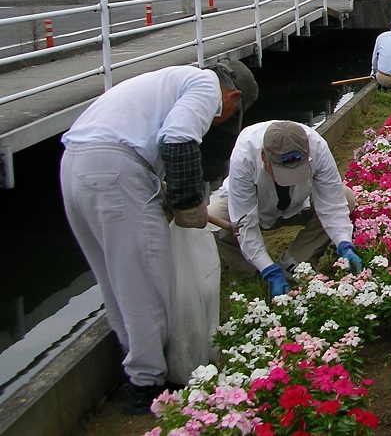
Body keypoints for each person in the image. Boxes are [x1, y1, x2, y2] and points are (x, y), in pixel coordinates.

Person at [59, 60, 259, 414]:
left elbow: (147, 142)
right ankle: (146, 382)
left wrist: (162, 189)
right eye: (227, 116)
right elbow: (178, 139)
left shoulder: (165, 81)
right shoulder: (205, 85)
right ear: (233, 96)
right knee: (146, 282)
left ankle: (136, 364)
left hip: (75, 166)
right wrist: (188, 203)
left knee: (115, 279)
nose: (218, 122)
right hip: (114, 171)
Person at [208, 120, 362, 296]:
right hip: (256, 206)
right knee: (213, 218)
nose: (291, 181)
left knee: (346, 197)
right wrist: (268, 269)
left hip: (298, 204)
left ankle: (294, 262)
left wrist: (344, 243)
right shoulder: (245, 154)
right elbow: (244, 223)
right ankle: (254, 272)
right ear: (264, 157)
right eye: (283, 173)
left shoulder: (316, 146)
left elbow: (332, 203)